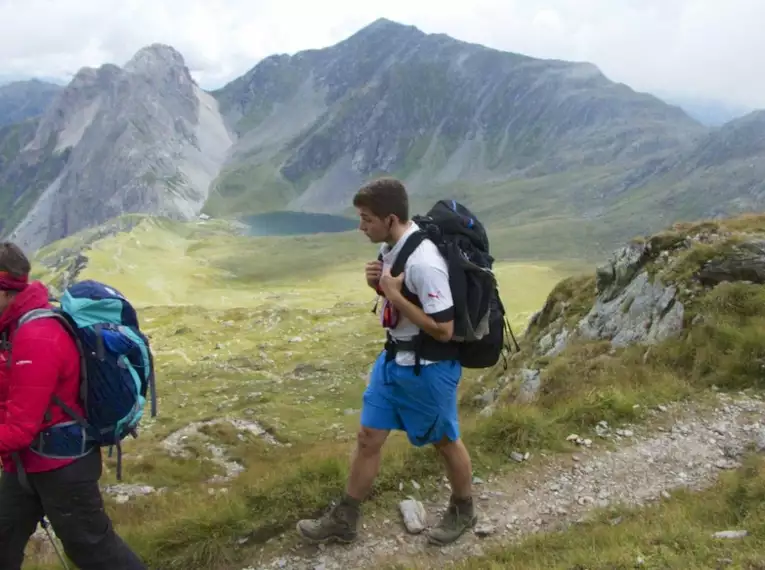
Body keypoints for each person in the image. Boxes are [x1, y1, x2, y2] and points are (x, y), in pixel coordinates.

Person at [296, 177, 477, 546]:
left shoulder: (426, 262)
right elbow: (399, 301)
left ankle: (464, 509)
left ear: (390, 219)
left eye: (366, 219)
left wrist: (393, 294)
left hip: (428, 369)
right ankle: (344, 519)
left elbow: (444, 328)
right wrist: (379, 288)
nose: (361, 226)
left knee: (444, 441)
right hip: (394, 361)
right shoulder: (393, 247)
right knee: (368, 437)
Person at [0, 242, 147, 569]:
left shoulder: (35, 337)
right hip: (25, 466)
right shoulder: (15, 326)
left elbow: (19, 430)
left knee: (94, 550)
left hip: (62, 467)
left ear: (5, 289)